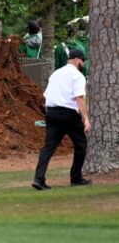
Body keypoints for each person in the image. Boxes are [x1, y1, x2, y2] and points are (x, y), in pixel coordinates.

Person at [32, 48, 92, 190]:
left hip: (52, 113)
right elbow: (79, 98)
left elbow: (46, 95)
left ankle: (38, 179)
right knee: (81, 145)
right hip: (68, 114)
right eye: (83, 60)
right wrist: (86, 119)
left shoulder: (56, 74)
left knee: (49, 147)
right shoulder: (77, 76)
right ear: (77, 60)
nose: (83, 63)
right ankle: (76, 178)